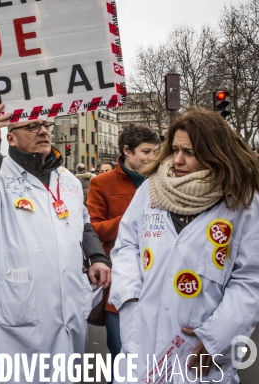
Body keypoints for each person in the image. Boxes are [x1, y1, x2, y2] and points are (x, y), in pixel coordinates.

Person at [0, 102, 111, 384]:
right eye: (32, 126)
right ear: (11, 137)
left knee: (66, 373)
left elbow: (84, 223)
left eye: (46, 126)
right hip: (19, 308)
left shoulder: (68, 180)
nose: (43, 131)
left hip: (68, 304)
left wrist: (97, 257)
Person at [110, 109, 259, 382]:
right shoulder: (151, 190)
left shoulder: (242, 203)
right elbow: (127, 245)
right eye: (175, 149)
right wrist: (131, 299)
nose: (177, 160)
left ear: (215, 153)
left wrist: (217, 337)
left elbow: (251, 278)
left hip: (199, 347)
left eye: (189, 152)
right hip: (143, 333)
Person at [87, 123, 160, 381]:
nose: (152, 158)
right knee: (122, 357)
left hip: (158, 282)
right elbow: (92, 229)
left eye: (155, 151)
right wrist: (129, 221)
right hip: (119, 286)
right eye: (146, 151)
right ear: (127, 151)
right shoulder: (101, 183)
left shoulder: (162, 180)